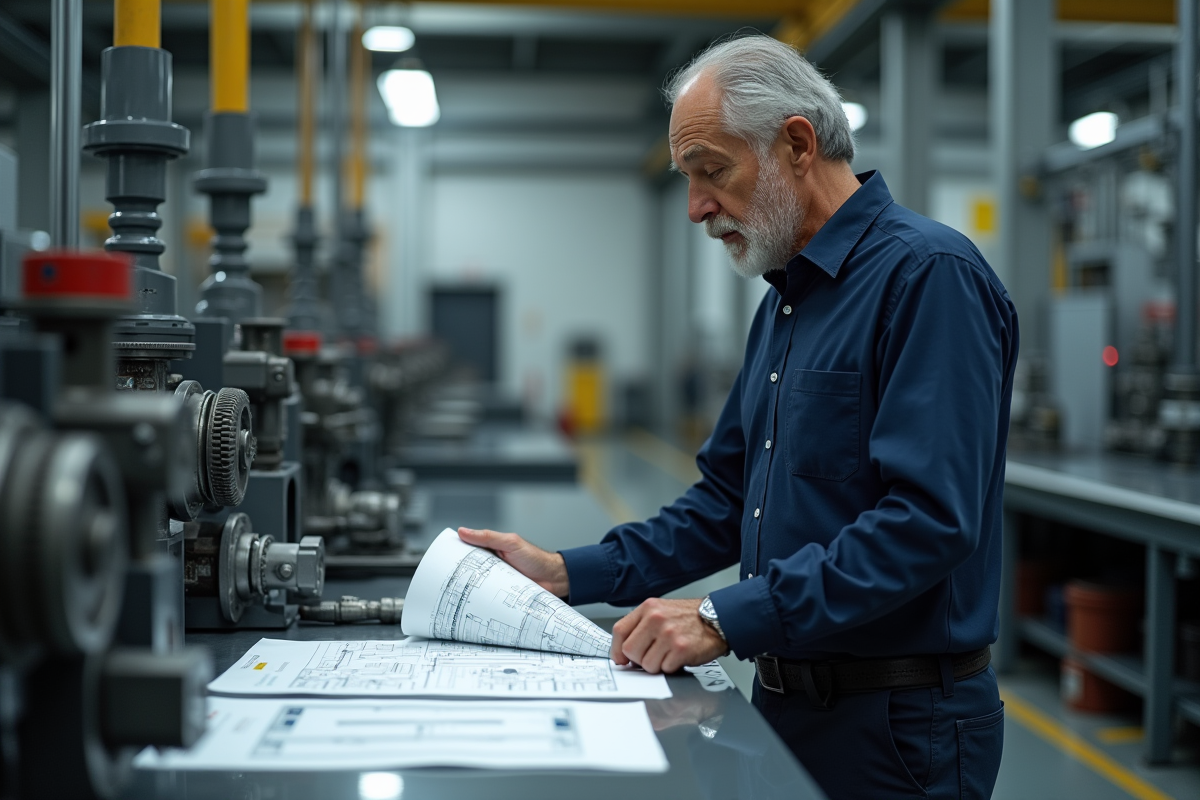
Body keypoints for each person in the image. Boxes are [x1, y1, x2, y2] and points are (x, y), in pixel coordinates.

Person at [460, 33, 1015, 800]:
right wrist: (565, 572)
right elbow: (726, 503)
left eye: (710, 172)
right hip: (785, 706)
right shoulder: (787, 302)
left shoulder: (929, 279)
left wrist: (725, 618)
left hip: (899, 727)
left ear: (795, 144)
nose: (695, 208)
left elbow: (927, 522)